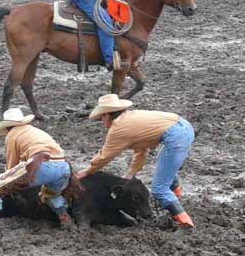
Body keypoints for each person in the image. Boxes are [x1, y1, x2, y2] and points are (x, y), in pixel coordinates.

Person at [76, 94, 195, 228]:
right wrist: (130, 175)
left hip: (175, 137)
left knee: (159, 188)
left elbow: (105, 155)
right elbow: (142, 151)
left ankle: (185, 224)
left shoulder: (118, 128)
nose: (103, 122)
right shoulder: (131, 119)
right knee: (165, 169)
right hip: (184, 127)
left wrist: (88, 170)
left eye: (102, 118)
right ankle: (176, 200)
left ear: (108, 115)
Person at [0, 108, 74, 247]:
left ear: (8, 126)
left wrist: (7, 184)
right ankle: (65, 219)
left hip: (40, 164)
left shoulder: (12, 135)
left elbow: (11, 167)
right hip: (63, 166)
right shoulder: (36, 131)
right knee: (50, 194)